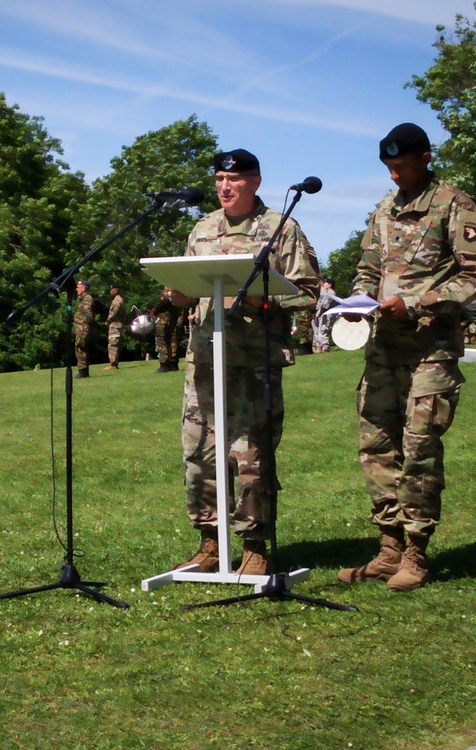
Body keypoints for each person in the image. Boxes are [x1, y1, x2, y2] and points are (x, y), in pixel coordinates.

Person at [337, 123, 476, 592]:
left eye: (400, 167)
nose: (393, 176)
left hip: (431, 350)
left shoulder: (455, 205)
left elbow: (475, 277)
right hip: (384, 348)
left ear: (425, 158)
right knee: (377, 445)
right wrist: (358, 301)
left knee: (419, 448)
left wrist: (418, 303)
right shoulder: (385, 209)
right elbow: (367, 268)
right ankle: (388, 548)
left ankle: (416, 554)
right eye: (388, 168)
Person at [168, 149, 320, 576]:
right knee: (199, 454)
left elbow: (308, 290)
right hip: (205, 359)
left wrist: (262, 297)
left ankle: (255, 546)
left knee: (250, 456)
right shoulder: (202, 229)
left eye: (232, 179)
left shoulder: (279, 229)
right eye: (218, 179)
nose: (224, 187)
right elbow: (189, 282)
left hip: (254, 359)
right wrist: (177, 295)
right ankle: (210, 543)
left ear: (254, 181)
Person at [152, 287, 184, 373]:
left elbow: (163, 300)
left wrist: (154, 310)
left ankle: (164, 364)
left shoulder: (169, 289)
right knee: (173, 340)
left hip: (165, 319)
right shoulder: (179, 288)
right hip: (175, 317)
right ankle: (173, 364)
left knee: (162, 340)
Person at [73, 279, 94, 379]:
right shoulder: (84, 299)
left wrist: (84, 326)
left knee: (80, 348)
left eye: (78, 286)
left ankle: (82, 371)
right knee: (80, 348)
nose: (76, 288)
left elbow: (88, 314)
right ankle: (83, 371)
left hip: (83, 328)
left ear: (84, 288)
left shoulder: (87, 299)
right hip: (81, 327)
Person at [103, 283, 126, 371]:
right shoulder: (121, 300)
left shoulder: (117, 300)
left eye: (112, 289)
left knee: (113, 344)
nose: (110, 291)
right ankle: (113, 362)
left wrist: (107, 322)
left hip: (115, 325)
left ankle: (113, 364)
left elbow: (113, 313)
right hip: (118, 325)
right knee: (114, 343)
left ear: (116, 290)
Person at [313, 278, 337, 352]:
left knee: (324, 329)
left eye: (326, 283)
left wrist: (320, 312)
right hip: (319, 313)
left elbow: (326, 304)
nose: (324, 284)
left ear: (330, 284)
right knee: (317, 330)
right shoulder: (324, 292)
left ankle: (325, 347)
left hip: (326, 314)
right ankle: (318, 346)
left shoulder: (331, 293)